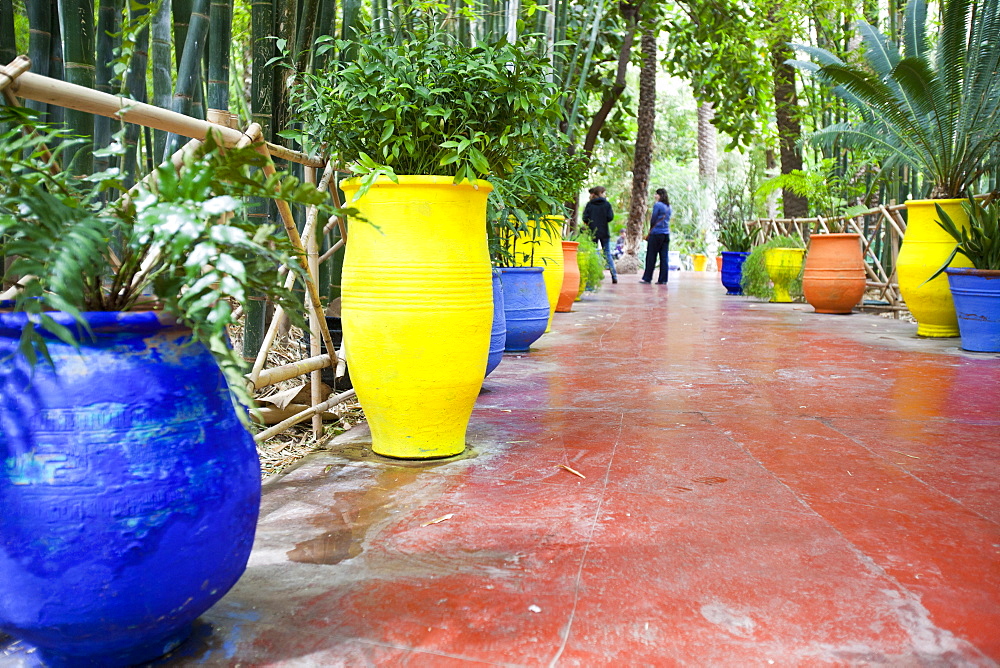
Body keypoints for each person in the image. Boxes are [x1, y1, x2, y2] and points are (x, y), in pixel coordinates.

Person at [582, 186, 618, 284]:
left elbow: (585, 218)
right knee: (607, 254)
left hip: (593, 232)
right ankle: (614, 275)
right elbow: (610, 217)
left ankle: (595, 275)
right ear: (601, 193)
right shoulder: (606, 204)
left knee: (594, 253)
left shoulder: (589, 205)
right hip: (604, 232)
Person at [640, 188, 672, 285]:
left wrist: (650, 228)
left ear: (660, 195)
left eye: (656, 194)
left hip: (656, 233)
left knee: (651, 256)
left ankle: (647, 277)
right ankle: (663, 279)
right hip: (666, 234)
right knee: (664, 257)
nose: (655, 196)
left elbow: (653, 218)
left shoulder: (658, 205)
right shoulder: (669, 207)